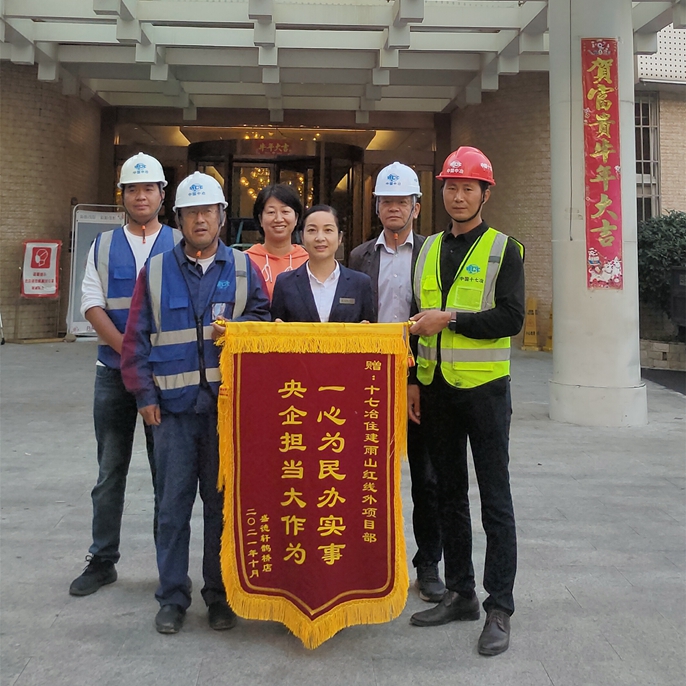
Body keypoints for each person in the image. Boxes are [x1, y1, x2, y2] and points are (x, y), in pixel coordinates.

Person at [120, 171, 270, 634]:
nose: (200, 220)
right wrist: (144, 394)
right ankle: (172, 597)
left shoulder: (243, 267)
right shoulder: (156, 271)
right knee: (172, 507)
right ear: (178, 218)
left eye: (208, 211)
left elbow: (264, 322)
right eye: (191, 213)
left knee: (222, 508)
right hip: (172, 412)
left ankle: (219, 595)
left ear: (222, 216)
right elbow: (135, 339)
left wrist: (239, 329)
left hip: (225, 412)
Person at [407, 147, 525, 657]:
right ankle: (461, 593)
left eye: (468, 188)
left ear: (485, 194)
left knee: (495, 500)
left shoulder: (505, 249)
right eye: (451, 187)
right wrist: (413, 380)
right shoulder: (428, 248)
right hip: (435, 390)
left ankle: (499, 606)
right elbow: (415, 319)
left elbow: (511, 319)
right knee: (447, 494)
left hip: (485, 393)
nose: (458, 196)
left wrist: (451, 319)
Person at [70, 152, 181, 597]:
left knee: (166, 476)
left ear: (162, 195)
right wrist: (130, 351)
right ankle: (102, 560)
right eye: (132, 189)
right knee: (109, 471)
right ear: (122, 196)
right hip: (113, 374)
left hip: (166, 378)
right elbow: (91, 304)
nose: (140, 196)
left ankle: (167, 567)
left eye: (148, 188)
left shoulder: (179, 243)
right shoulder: (102, 245)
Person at [348, 162, 444, 603]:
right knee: (363, 475)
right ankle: (362, 562)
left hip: (418, 379)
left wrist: (414, 378)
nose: (393, 209)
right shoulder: (359, 257)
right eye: (386, 202)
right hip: (368, 378)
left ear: (416, 207)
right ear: (377, 207)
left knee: (426, 478)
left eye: (401, 202)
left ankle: (428, 566)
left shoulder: (432, 253)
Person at [271, 205, 375, 323]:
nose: (320, 238)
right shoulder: (285, 283)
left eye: (328, 230)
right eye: (312, 230)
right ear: (302, 237)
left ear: (340, 237)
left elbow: (370, 328)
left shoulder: (360, 283)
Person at [246, 184, 308, 300]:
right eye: (271, 212)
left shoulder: (309, 261)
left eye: (285, 211)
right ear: (260, 219)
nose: (279, 219)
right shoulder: (245, 261)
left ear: (296, 218)